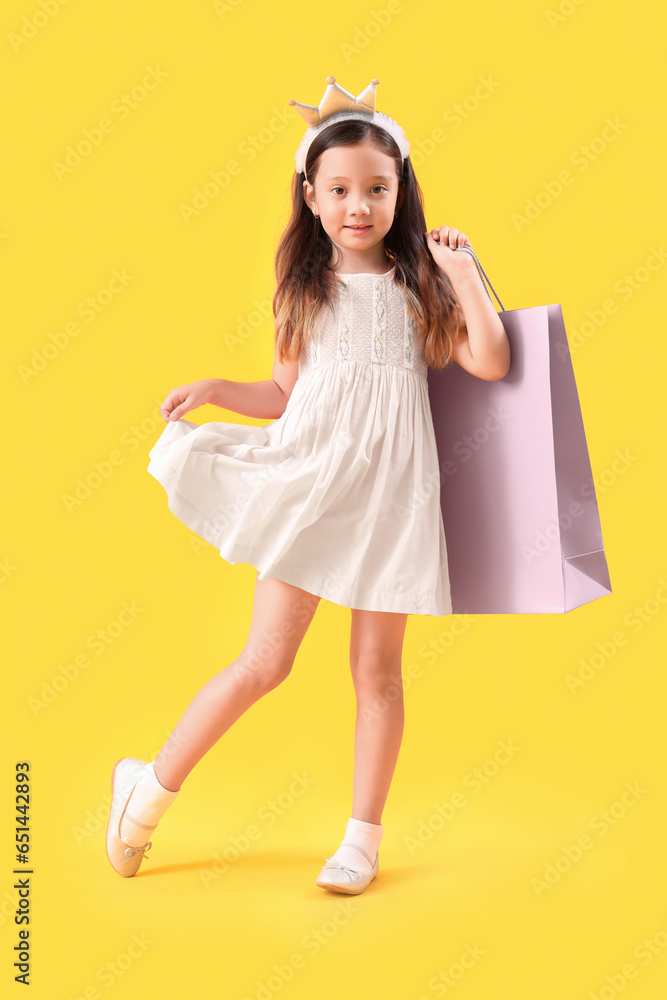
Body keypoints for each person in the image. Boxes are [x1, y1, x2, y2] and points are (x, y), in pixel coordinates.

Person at [105, 76, 510, 894]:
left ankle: (359, 842)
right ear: (311, 197)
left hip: (393, 498)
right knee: (263, 662)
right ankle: (144, 796)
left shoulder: (420, 287)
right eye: (340, 190)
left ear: (400, 191)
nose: (358, 204)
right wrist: (219, 389)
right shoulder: (304, 289)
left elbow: (490, 360)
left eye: (376, 188)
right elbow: (285, 394)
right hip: (316, 485)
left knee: (378, 673)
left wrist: (461, 268)